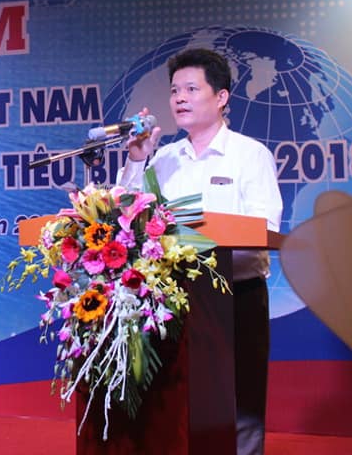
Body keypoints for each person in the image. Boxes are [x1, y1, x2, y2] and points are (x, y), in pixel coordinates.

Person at [117, 47, 282, 455]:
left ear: (221, 97)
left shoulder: (250, 155)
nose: (179, 98)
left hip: (235, 297)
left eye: (191, 89)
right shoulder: (165, 159)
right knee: (176, 402)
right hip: (172, 302)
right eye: (175, 91)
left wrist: (203, 239)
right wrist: (137, 161)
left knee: (239, 402)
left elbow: (265, 229)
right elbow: (128, 217)